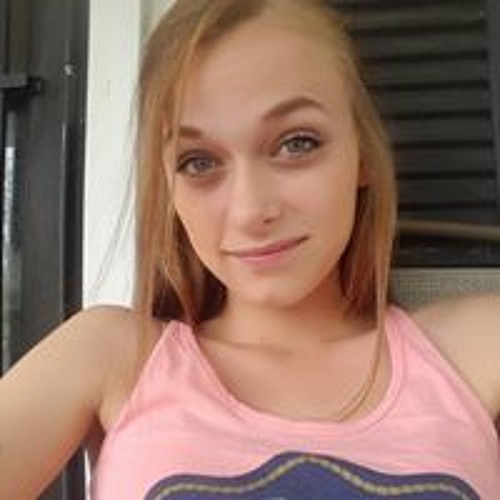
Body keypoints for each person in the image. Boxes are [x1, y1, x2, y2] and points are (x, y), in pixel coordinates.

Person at [1, 0, 499, 498]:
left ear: (363, 154)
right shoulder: (110, 356)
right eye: (198, 162)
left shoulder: (478, 347)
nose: (249, 210)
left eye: (297, 143)